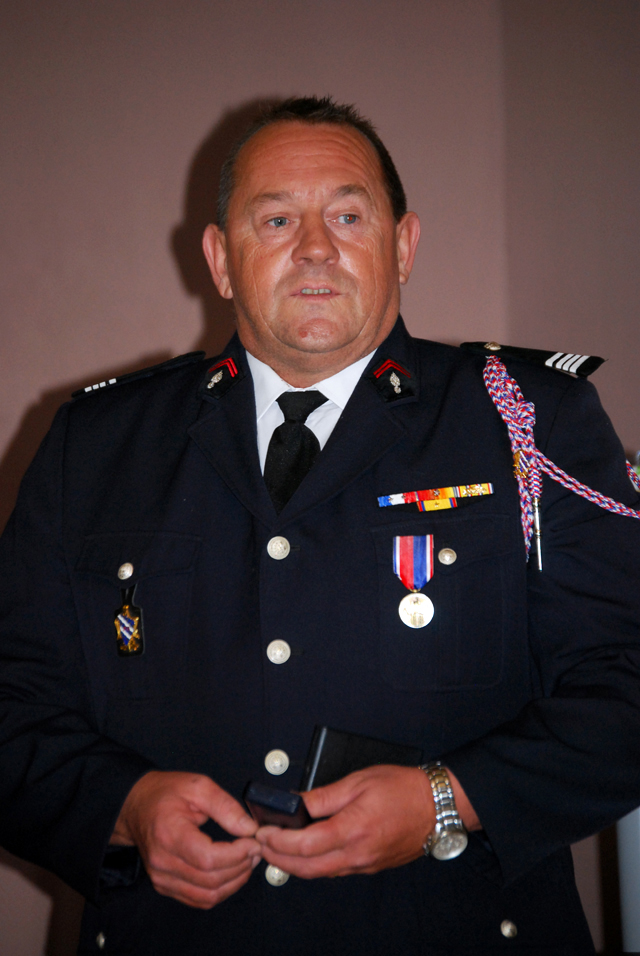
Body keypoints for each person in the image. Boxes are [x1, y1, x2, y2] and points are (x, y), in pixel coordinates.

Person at [1, 96, 639, 956]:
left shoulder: (529, 421)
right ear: (220, 260)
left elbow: (626, 684)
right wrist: (122, 808)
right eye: (276, 219)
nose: (314, 248)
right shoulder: (96, 445)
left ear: (403, 245)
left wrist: (448, 801)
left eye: (347, 216)